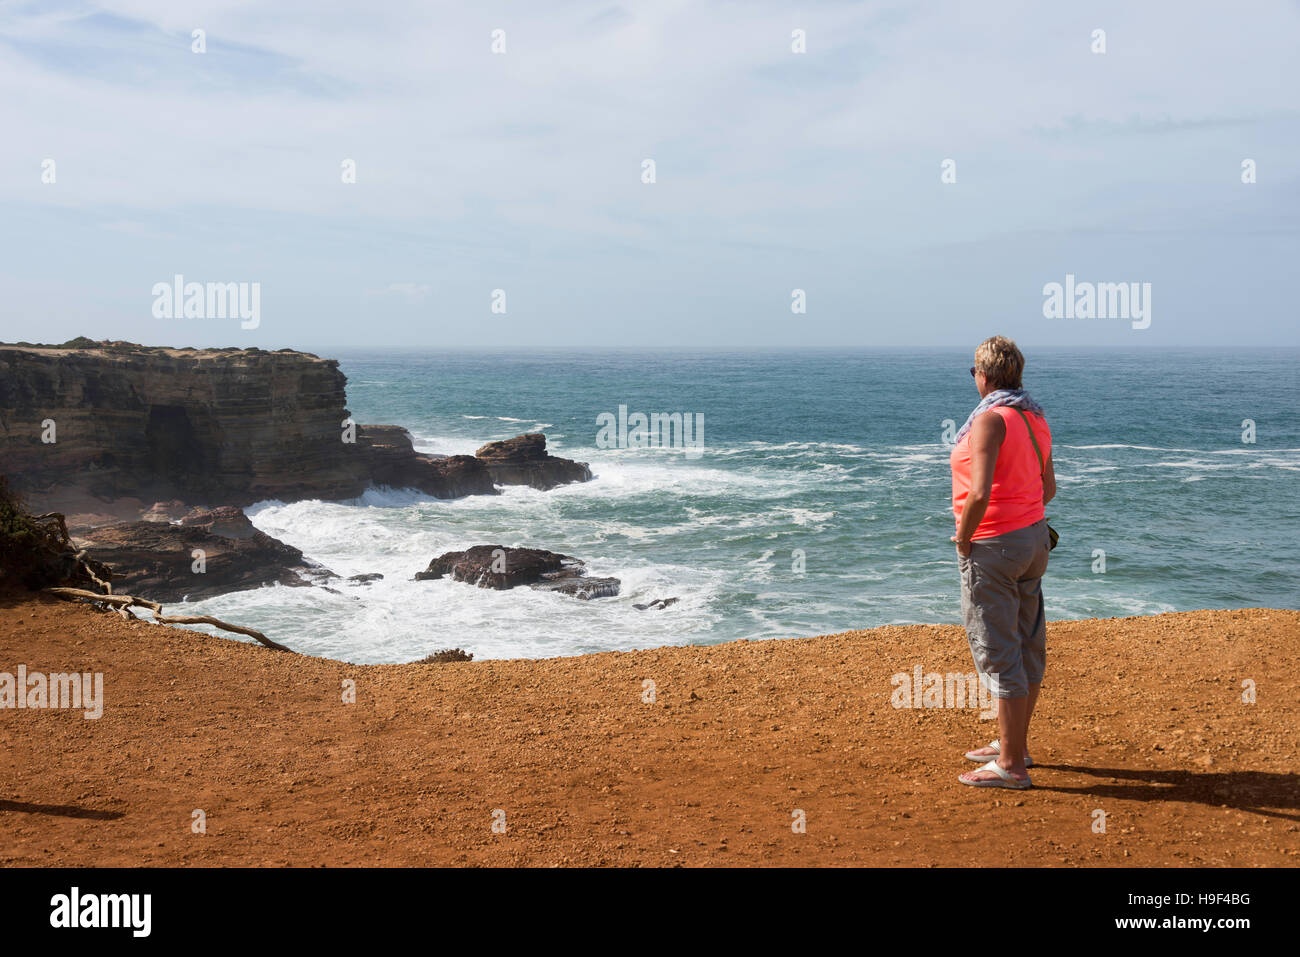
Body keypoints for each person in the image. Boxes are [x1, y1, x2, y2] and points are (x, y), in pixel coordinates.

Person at [950, 336, 1055, 790]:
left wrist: (963, 538)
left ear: (985, 375)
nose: (974, 379)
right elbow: (1048, 488)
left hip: (995, 543)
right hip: (1033, 540)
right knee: (1027, 643)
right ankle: (1015, 744)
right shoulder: (1034, 417)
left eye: (974, 372)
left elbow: (979, 491)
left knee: (999, 649)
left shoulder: (990, 420)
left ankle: (1011, 766)